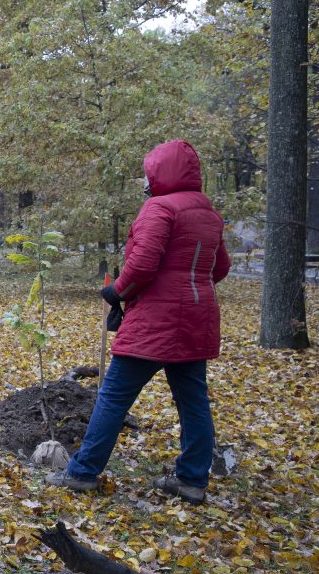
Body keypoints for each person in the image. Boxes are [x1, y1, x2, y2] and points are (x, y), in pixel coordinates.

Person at [46, 140, 231, 505]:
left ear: (160, 173)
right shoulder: (208, 213)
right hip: (196, 319)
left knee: (113, 396)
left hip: (155, 322)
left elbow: (143, 265)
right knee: (193, 401)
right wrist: (189, 287)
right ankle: (192, 480)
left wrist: (117, 291)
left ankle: (82, 473)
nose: (146, 181)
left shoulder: (159, 208)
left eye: (149, 173)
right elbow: (220, 268)